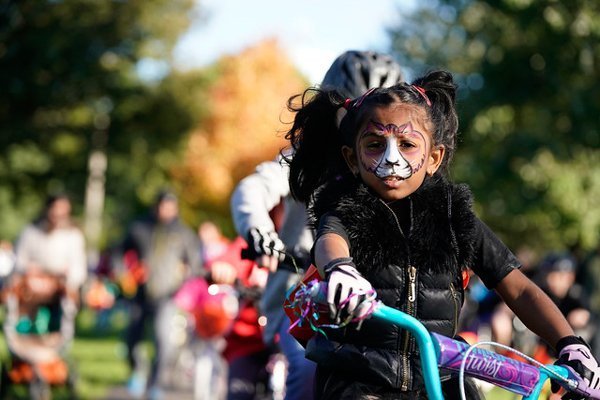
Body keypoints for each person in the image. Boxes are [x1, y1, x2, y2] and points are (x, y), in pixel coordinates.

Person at [284, 70, 600, 399]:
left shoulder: (454, 217)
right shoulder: (344, 209)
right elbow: (329, 241)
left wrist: (571, 343)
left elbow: (518, 288)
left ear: (434, 158)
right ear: (352, 158)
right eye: (375, 145)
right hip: (361, 380)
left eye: (407, 145)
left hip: (442, 380)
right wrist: (341, 270)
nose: (391, 160)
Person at [230, 50, 404, 400]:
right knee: (312, 368)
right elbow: (253, 188)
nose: (365, 124)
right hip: (302, 300)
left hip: (377, 304)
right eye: (354, 112)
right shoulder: (307, 158)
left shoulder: (398, 168)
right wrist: (259, 231)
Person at [118, 190, 203, 398]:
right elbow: (118, 253)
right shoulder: (139, 228)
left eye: (169, 206)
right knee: (132, 339)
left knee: (163, 341)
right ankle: (138, 371)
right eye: (161, 205)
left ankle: (157, 383)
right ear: (155, 206)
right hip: (139, 294)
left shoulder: (184, 234)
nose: (165, 210)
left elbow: (195, 265)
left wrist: (185, 283)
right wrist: (124, 274)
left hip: (168, 296)